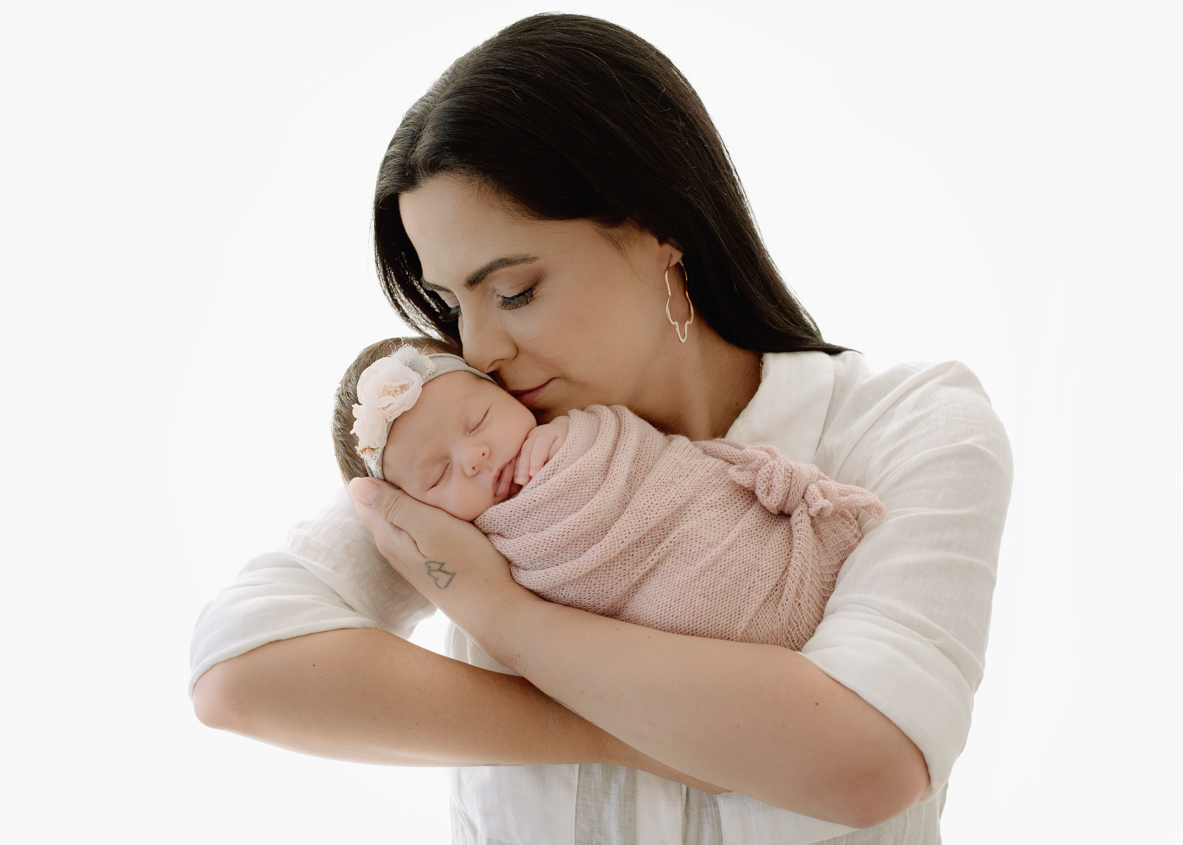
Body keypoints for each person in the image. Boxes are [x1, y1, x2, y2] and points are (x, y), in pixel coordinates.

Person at [190, 13, 1013, 844]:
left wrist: (502, 612)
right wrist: (616, 734)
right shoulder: (482, 456)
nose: (477, 347)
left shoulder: (906, 428)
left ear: (661, 230)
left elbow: (868, 761)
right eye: (450, 305)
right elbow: (239, 668)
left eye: (511, 291)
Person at [332, 338, 885, 651]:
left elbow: (658, 466)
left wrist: (574, 437)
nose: (473, 457)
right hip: (703, 641)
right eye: (437, 476)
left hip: (724, 534)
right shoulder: (481, 554)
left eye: (478, 420)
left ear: (505, 392)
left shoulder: (575, 428)